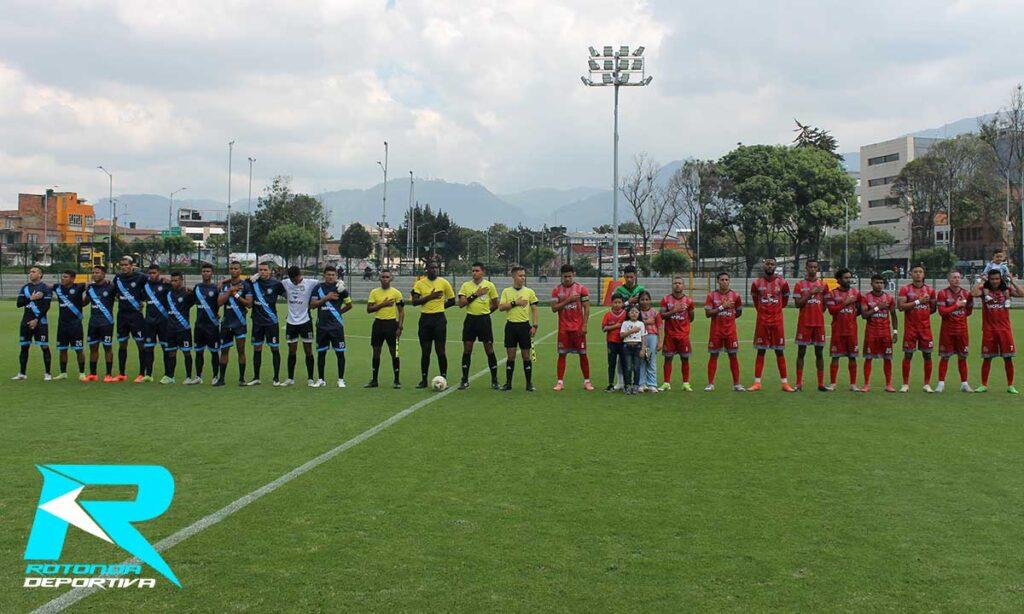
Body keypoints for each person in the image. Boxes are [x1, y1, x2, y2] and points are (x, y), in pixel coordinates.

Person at [971, 268, 1023, 393]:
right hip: (989, 330)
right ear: (989, 279)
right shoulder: (984, 291)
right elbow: (973, 293)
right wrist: (981, 280)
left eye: (997, 279)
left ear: (1001, 279)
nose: (995, 281)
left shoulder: (1006, 290)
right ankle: (984, 385)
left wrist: (1013, 280)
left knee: (1008, 358)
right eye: (992, 279)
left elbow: (1021, 293)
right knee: (987, 358)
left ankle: (1010, 385)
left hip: (1005, 330)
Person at [749, 257, 794, 392]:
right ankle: (757, 382)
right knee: (761, 351)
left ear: (775, 266)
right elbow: (756, 302)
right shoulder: (756, 283)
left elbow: (785, 301)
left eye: (772, 264)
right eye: (767, 264)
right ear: (764, 266)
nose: (769, 266)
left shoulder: (783, 283)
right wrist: (764, 312)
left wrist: (775, 311)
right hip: (762, 322)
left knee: (779, 351)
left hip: (777, 322)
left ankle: (785, 383)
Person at [410, 261, 455, 388]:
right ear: (427, 269)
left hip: (439, 319)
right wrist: (431, 297)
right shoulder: (419, 283)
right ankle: (423, 380)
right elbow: (414, 302)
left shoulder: (444, 282)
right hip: (425, 320)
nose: (434, 269)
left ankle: (444, 378)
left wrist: (440, 306)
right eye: (431, 267)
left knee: (441, 350)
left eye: (436, 267)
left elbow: (452, 300)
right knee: (426, 351)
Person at [457, 262, 500, 390]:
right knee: (467, 349)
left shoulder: (490, 285)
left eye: (477, 271)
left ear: (483, 272)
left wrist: (485, 313)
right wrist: (476, 294)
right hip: (470, 319)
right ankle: (464, 379)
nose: (474, 273)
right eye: (473, 271)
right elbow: (461, 304)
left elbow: (495, 304)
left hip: (484, 321)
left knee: (489, 349)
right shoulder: (466, 285)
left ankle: (494, 380)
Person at [551, 264, 593, 391]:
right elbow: (554, 308)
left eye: (570, 276)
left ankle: (587, 381)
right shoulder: (556, 290)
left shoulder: (582, 289)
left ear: (573, 274)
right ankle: (560, 382)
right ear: (561, 276)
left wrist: (584, 324)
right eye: (565, 277)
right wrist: (568, 300)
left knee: (583, 354)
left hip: (578, 329)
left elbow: (586, 307)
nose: (567, 279)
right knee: (562, 355)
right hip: (563, 329)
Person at [309, 265, 352, 388]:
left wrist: (338, 313)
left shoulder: (341, 289)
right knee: (321, 353)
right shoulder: (318, 288)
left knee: (340, 353)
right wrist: (326, 298)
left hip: (336, 327)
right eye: (328, 275)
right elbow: (312, 305)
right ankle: (321, 379)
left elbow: (349, 305)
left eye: (333, 275)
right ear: (324, 275)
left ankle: (341, 379)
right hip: (322, 327)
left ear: (336, 276)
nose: (330, 277)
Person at [498, 266, 539, 391]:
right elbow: (501, 307)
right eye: (520, 275)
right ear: (514, 276)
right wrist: (515, 303)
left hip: (524, 326)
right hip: (511, 326)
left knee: (526, 356)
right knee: (510, 356)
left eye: (524, 275)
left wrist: (535, 325)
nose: (523, 278)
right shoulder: (506, 291)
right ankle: (508, 383)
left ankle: (529, 384)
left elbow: (534, 309)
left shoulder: (529, 292)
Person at [897, 264, 936, 393]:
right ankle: (905, 384)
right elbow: (901, 307)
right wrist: (918, 302)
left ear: (924, 274)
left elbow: (933, 308)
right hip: (911, 328)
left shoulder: (930, 290)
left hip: (925, 328)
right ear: (910, 274)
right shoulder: (905, 289)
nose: (918, 274)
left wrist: (922, 312)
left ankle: (927, 384)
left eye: (920, 272)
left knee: (927, 355)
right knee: (908, 355)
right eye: (915, 272)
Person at [214, 261, 254, 387]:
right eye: (231, 268)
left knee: (241, 350)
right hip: (226, 323)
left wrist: (235, 295)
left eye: (236, 268)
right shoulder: (225, 286)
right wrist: (229, 291)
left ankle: (241, 379)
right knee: (224, 350)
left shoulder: (246, 286)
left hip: (240, 323)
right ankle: (221, 379)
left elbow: (249, 304)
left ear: (240, 270)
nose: (233, 270)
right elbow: (219, 303)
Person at [281, 265, 320, 386]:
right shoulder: (286, 282)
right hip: (291, 322)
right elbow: (272, 285)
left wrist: (338, 281)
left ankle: (310, 379)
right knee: (291, 351)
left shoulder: (311, 282)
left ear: (300, 275)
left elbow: (324, 283)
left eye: (296, 279)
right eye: (292, 279)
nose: (294, 281)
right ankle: (290, 378)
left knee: (308, 351)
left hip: (305, 321)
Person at [859, 273, 899, 393]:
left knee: (887, 359)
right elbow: (864, 315)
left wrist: (895, 332)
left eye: (881, 283)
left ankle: (888, 384)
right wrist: (878, 307)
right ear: (871, 284)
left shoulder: (889, 298)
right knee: (868, 358)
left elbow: (893, 315)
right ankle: (866, 384)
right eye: (877, 282)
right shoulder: (866, 298)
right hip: (871, 333)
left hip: (885, 333)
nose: (879, 285)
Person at [935, 270, 973, 393]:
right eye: (954, 277)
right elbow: (942, 312)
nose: (957, 279)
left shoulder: (966, 293)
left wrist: (957, 313)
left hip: (962, 330)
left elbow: (968, 311)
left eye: (958, 277)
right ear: (949, 280)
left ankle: (964, 384)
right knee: (945, 357)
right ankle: (941, 384)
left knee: (962, 357)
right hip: (947, 331)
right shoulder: (942, 293)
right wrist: (956, 306)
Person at [248, 261, 286, 386]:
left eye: (265, 270)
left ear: (270, 271)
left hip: (271, 322)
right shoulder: (253, 282)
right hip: (257, 322)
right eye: (260, 270)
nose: (262, 272)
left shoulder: (276, 284)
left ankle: (276, 378)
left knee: (274, 348)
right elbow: (237, 282)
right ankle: (256, 377)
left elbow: (288, 295)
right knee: (257, 348)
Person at [705, 272, 744, 392]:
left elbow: (738, 312)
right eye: (722, 279)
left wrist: (729, 316)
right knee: (713, 355)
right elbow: (708, 314)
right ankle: (710, 384)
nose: (725, 282)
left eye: (727, 279)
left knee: (733, 356)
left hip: (730, 332)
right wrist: (722, 307)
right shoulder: (711, 296)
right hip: (716, 332)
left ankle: (736, 384)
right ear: (718, 281)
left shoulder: (736, 296)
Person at [793, 258, 827, 391]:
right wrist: (810, 293)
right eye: (810, 267)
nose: (813, 269)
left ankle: (820, 384)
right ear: (806, 268)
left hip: (818, 324)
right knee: (801, 352)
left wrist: (817, 310)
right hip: (804, 323)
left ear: (817, 269)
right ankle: (798, 383)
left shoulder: (823, 285)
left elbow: (824, 306)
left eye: (815, 267)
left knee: (819, 353)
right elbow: (797, 304)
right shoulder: (799, 284)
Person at [13, 266, 53, 381]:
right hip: (25, 321)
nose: (31, 273)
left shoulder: (45, 288)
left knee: (44, 347)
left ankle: (48, 373)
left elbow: (46, 306)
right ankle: (22, 373)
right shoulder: (25, 288)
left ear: (40, 274)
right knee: (24, 347)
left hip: (40, 322)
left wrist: (36, 320)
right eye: (30, 272)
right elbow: (19, 304)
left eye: (34, 272)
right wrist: (31, 298)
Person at [113, 256, 149, 382]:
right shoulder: (117, 278)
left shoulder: (141, 277)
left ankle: (141, 373)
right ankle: (122, 373)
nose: (124, 267)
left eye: (126, 265)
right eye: (122, 265)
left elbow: (151, 287)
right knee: (122, 344)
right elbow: (116, 292)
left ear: (132, 265)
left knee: (141, 344)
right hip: (122, 315)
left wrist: (142, 300)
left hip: (136, 316)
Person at [366, 269, 404, 388]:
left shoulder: (396, 293)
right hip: (378, 325)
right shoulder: (374, 292)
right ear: (379, 278)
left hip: (391, 324)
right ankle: (374, 380)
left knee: (394, 352)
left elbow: (401, 311)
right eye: (383, 277)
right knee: (376, 352)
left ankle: (397, 380)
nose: (385, 279)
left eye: (387, 277)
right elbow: (369, 309)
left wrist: (400, 326)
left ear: (391, 278)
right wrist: (383, 304)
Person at [825, 268, 861, 392]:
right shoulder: (832, 293)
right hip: (838, 330)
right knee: (835, 357)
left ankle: (853, 384)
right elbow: (831, 311)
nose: (848, 280)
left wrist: (853, 313)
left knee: (853, 357)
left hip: (851, 331)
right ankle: (833, 383)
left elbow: (860, 308)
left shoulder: (856, 292)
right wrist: (845, 303)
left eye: (849, 277)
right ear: (839, 279)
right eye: (846, 277)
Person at [659, 275, 695, 392]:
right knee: (668, 359)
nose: (677, 285)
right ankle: (666, 383)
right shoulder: (666, 299)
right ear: (672, 285)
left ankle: (685, 383)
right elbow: (662, 316)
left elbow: (691, 317)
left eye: (679, 283)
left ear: (683, 286)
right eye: (675, 283)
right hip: (670, 335)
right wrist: (674, 311)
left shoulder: (689, 301)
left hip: (683, 336)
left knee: (685, 359)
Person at [161, 271, 195, 384]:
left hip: (183, 328)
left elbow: (196, 300)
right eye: (173, 280)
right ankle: (170, 377)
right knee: (171, 353)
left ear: (181, 280)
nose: (174, 283)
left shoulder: (187, 293)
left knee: (186, 352)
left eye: (176, 280)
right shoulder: (168, 294)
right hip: (170, 329)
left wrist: (192, 291)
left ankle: (188, 377)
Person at [83, 265, 116, 382]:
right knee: (93, 348)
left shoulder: (111, 287)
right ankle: (93, 374)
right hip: (93, 323)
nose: (95, 274)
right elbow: (84, 302)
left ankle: (108, 374)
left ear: (103, 274)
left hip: (106, 322)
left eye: (97, 272)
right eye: (93, 272)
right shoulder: (90, 288)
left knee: (107, 348)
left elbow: (121, 298)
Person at [52, 269, 87, 380]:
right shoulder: (57, 287)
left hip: (75, 325)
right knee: (62, 349)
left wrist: (107, 281)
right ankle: (63, 373)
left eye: (66, 277)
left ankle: (82, 373)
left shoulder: (79, 287)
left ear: (72, 278)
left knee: (79, 349)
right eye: (62, 276)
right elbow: (45, 287)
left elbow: (93, 286)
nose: (63, 278)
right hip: (62, 324)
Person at [191, 263, 222, 385]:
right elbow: (191, 300)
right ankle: (198, 376)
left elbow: (219, 303)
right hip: (199, 325)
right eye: (204, 271)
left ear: (212, 273)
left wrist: (217, 313)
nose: (206, 273)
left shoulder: (216, 288)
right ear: (201, 273)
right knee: (199, 352)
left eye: (208, 271)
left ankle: (215, 376)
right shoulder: (197, 287)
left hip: (212, 326)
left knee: (214, 352)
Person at [141, 264, 169, 382]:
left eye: (154, 273)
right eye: (150, 273)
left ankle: (168, 374)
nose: (152, 275)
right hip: (149, 322)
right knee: (148, 348)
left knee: (165, 348)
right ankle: (148, 374)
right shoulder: (145, 286)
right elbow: (140, 299)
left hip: (163, 321)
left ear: (159, 273)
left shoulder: (165, 285)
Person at [637, 291, 661, 392]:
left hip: (652, 336)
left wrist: (661, 342)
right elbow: (634, 323)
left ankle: (652, 384)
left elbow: (660, 327)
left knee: (651, 360)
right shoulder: (637, 312)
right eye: (642, 299)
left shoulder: (655, 313)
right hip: (640, 338)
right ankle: (641, 383)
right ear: (639, 301)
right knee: (641, 359)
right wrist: (646, 322)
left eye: (647, 299)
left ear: (650, 301)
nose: (644, 301)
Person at [601, 295, 627, 392]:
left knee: (625, 363)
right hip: (611, 342)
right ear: (612, 303)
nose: (617, 304)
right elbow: (604, 328)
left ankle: (626, 384)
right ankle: (610, 384)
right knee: (611, 363)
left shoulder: (626, 314)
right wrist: (615, 326)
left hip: (623, 342)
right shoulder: (608, 315)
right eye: (615, 302)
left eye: (619, 302)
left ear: (622, 303)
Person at [620, 305, 646, 395]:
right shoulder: (625, 323)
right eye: (632, 312)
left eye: (636, 312)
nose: (634, 313)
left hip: (637, 347)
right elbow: (622, 335)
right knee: (628, 367)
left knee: (636, 367)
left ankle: (636, 385)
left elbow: (643, 337)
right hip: (627, 346)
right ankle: (627, 385)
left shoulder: (641, 324)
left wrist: (643, 349)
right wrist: (632, 331)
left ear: (639, 313)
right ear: (628, 313)